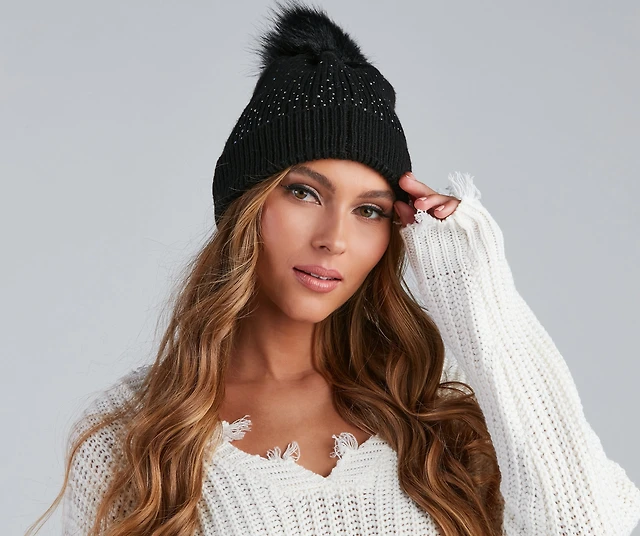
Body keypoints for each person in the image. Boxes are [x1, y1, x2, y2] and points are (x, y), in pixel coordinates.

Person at [26, 4, 640, 536]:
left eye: (369, 210)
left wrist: (481, 297)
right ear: (247, 204)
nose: (334, 239)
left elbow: (587, 525)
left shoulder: (437, 401)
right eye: (304, 193)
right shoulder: (133, 434)